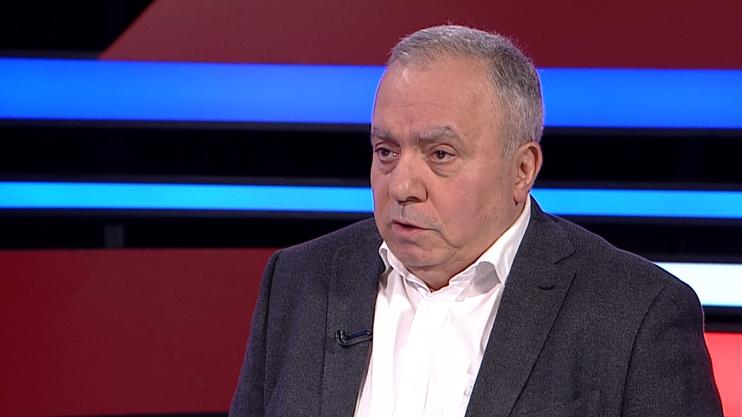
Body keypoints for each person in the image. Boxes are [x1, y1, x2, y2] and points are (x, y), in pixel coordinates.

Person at [229, 25, 722, 417]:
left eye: (440, 154)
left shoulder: (637, 315)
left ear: (522, 169)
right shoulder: (298, 282)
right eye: (386, 151)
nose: (402, 186)